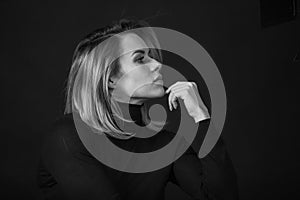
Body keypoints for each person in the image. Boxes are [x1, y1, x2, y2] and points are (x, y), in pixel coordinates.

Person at [37, 18, 239, 200]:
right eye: (140, 58)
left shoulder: (163, 143)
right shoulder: (67, 136)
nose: (157, 64)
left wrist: (201, 116)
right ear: (110, 78)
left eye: (151, 56)